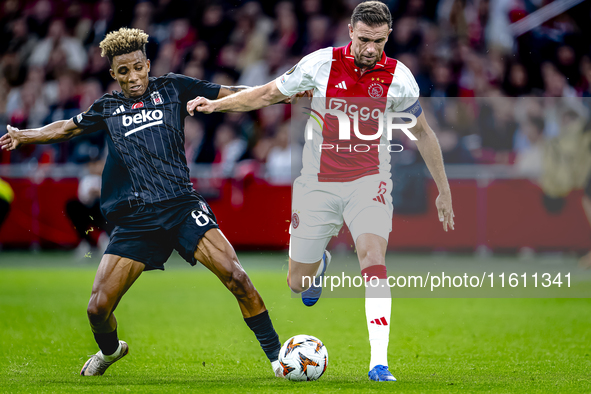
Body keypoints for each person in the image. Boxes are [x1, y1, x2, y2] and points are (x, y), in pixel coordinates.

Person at [189, 1, 455, 382]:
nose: (369, 48)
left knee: (372, 257)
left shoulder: (399, 77)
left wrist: (443, 190)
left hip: (370, 181)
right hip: (318, 183)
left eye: (378, 41)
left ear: (388, 37)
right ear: (350, 31)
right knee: (297, 282)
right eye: (363, 39)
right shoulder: (319, 65)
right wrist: (216, 106)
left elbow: (424, 134)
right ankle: (320, 267)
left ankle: (379, 363)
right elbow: (265, 94)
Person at [1, 28, 284, 378]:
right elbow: (66, 128)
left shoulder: (173, 87)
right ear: (113, 74)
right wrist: (24, 134)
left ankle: (278, 358)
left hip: (181, 206)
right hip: (137, 220)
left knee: (237, 277)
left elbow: (233, 93)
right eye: (124, 71)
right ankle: (110, 351)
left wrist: (279, 93)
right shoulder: (107, 108)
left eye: (138, 67)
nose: (133, 77)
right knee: (96, 309)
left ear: (148, 64)